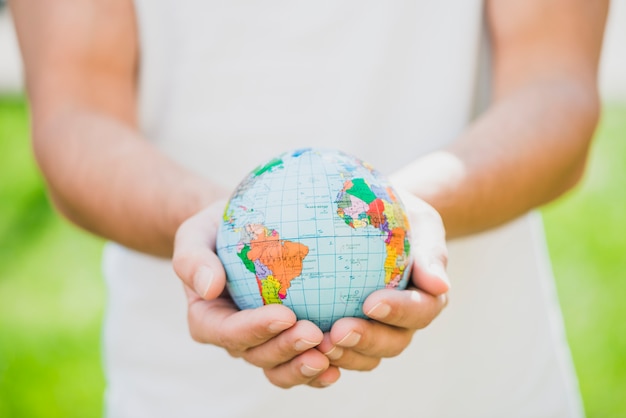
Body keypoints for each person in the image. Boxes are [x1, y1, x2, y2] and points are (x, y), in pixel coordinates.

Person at [12, 0, 607, 416]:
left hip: (484, 388)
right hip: (184, 395)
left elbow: (555, 88)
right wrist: (212, 227)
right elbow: (74, 118)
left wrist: (407, 208)